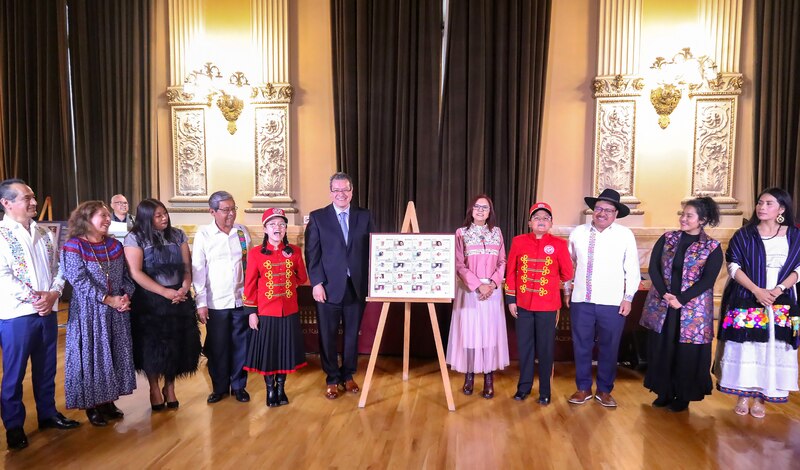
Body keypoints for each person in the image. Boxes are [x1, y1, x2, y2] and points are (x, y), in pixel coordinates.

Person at [0, 179, 79, 451]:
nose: (33, 202)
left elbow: (59, 268)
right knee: (15, 373)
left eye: (33, 197)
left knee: (46, 370)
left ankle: (47, 414)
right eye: (26, 198)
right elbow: (3, 276)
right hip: (17, 315)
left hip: (48, 310)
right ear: (7, 203)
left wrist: (54, 294)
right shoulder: (1, 234)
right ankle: (13, 425)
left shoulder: (44, 233)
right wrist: (37, 298)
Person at [714, 188, 800, 418]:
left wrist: (779, 289)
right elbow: (733, 266)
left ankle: (762, 396)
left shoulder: (794, 235)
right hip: (747, 295)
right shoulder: (744, 234)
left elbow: (798, 268)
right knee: (746, 347)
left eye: (768, 203)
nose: (762, 207)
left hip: (781, 298)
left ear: (781, 209)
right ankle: (743, 394)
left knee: (771, 347)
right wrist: (757, 290)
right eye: (760, 203)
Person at [641, 197, 722, 412]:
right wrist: (667, 295)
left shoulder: (712, 247)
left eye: (689, 215)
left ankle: (683, 395)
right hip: (664, 304)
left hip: (691, 310)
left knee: (686, 352)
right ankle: (663, 391)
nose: (683, 219)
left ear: (702, 220)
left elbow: (708, 280)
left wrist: (681, 300)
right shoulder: (668, 238)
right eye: (682, 214)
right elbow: (653, 269)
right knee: (663, 347)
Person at [61, 201, 136, 426]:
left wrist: (125, 297)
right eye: (101, 216)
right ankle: (91, 405)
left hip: (115, 310)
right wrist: (107, 299)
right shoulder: (74, 246)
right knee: (91, 356)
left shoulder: (114, 245)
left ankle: (107, 401)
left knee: (111, 354)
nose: (107, 220)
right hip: (89, 312)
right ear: (85, 219)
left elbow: (126, 276)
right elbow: (78, 280)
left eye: (107, 216)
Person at [124, 198, 201, 411]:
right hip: (150, 300)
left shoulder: (178, 235)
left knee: (176, 345)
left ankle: (170, 386)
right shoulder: (135, 238)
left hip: (179, 297)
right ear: (147, 219)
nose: (164, 218)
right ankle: (154, 388)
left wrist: (184, 288)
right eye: (158, 216)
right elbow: (135, 272)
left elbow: (187, 267)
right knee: (152, 347)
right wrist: (164, 292)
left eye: (164, 213)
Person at [567, 188, 640, 407]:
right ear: (592, 210)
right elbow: (568, 265)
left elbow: (632, 269)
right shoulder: (578, 233)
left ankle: (605, 390)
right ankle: (582, 388)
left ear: (616, 214)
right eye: (598, 208)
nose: (602, 213)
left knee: (609, 346)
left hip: (613, 302)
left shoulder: (625, 235)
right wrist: (567, 290)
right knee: (581, 345)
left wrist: (628, 297)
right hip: (582, 300)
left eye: (608, 210)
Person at [304, 172, 374, 399]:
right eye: (336, 190)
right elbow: (312, 254)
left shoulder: (365, 216)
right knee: (328, 335)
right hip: (327, 288)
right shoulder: (318, 217)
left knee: (352, 335)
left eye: (345, 189)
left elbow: (374, 251)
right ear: (331, 192)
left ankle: (348, 375)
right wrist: (316, 283)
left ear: (352, 191)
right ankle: (332, 378)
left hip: (356, 286)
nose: (341, 194)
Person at [505, 202, 573, 405]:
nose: (541, 221)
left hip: (548, 306)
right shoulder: (518, 241)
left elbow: (568, 273)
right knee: (524, 348)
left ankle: (545, 391)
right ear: (529, 222)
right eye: (537, 218)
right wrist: (511, 299)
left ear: (551, 223)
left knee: (545, 349)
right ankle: (523, 388)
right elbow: (511, 272)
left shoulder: (560, 244)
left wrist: (553, 279)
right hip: (523, 304)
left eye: (545, 218)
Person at [446, 195, 509, 399]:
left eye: (485, 207)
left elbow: (502, 261)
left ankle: (489, 379)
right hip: (469, 291)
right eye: (477, 207)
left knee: (489, 334)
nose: (481, 210)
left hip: (492, 291)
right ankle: (469, 376)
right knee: (470, 333)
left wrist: (491, 284)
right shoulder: (461, 233)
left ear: (490, 211)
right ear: (471, 210)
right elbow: (458, 264)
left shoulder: (496, 233)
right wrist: (477, 285)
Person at [243, 208, 308, 407]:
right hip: (266, 312)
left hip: (289, 311)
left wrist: (292, 268)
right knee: (269, 352)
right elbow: (250, 285)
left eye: (281, 224)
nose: (277, 228)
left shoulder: (295, 251)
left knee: (284, 351)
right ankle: (270, 390)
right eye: (272, 224)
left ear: (285, 228)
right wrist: (251, 313)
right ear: (265, 229)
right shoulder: (255, 254)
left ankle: (281, 388)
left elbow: (302, 277)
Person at [192, 191, 252, 404]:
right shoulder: (204, 235)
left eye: (234, 208)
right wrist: (201, 302)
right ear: (212, 212)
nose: (231, 214)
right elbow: (198, 270)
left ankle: (238, 385)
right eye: (226, 210)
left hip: (241, 299)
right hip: (215, 302)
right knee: (218, 346)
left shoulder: (242, 232)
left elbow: (250, 266)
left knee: (241, 344)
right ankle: (219, 387)